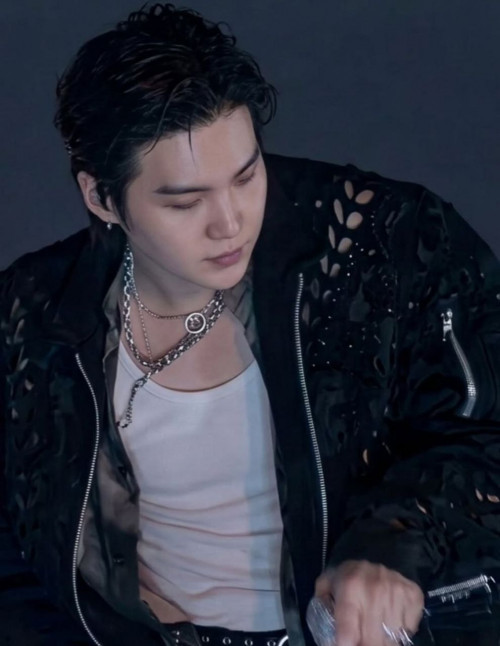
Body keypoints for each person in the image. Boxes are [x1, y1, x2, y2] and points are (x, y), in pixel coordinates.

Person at [1, 3, 500, 646]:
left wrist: (397, 537)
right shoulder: (33, 313)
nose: (230, 223)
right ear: (101, 198)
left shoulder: (386, 241)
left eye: (246, 176)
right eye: (185, 202)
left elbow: (483, 427)